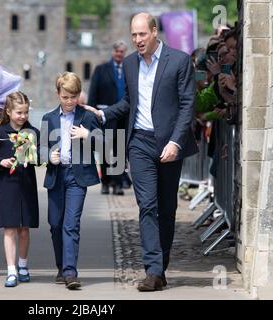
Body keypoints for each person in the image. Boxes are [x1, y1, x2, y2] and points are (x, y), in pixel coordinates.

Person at [85, 13, 198, 291]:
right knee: (147, 205)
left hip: (169, 142)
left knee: (167, 208)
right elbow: (128, 102)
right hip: (139, 142)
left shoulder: (180, 61)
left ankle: (161, 269)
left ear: (154, 32)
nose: (137, 40)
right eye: (133, 35)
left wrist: (176, 142)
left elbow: (187, 105)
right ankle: (152, 270)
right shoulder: (131, 63)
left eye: (142, 34)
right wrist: (103, 114)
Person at [41, 72, 102, 290]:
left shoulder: (87, 117)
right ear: (58, 94)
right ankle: (61, 267)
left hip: (78, 177)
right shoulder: (48, 118)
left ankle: (70, 272)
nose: (69, 102)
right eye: (65, 97)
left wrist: (89, 135)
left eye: (73, 97)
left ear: (79, 95)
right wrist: (48, 156)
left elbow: (106, 143)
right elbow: (41, 148)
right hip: (56, 176)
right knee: (55, 224)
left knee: (70, 224)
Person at [0, 91, 39, 288]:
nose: (23, 116)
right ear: (8, 111)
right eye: (18, 112)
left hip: (26, 186)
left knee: (24, 229)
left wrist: (34, 157)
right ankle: (11, 270)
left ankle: (23, 266)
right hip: (7, 186)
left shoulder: (32, 132)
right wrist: (2, 162)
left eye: (25, 112)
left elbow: (39, 157)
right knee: (9, 229)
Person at [88, 40, 128, 195]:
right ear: (113, 52)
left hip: (122, 117)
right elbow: (93, 93)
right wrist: (92, 114)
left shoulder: (128, 70)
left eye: (122, 52)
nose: (119, 54)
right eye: (117, 51)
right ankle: (105, 182)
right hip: (104, 116)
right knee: (105, 150)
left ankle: (117, 183)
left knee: (120, 152)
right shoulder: (101, 69)